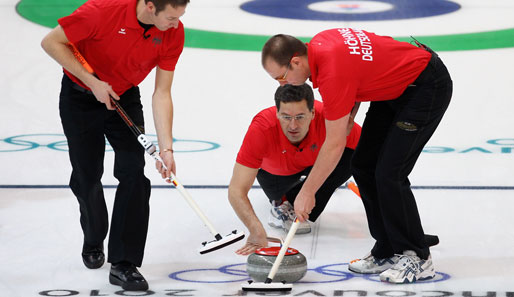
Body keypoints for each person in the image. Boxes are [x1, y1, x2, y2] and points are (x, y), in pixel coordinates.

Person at [261, 29, 452, 283]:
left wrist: (307, 192)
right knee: (363, 165)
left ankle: (417, 256)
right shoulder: (320, 44)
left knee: (389, 173)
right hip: (394, 87)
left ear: (295, 62)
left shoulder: (331, 72)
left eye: (281, 77)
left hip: (425, 87)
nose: (282, 84)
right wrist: (350, 113)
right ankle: (387, 247)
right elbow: (362, 66)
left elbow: (334, 145)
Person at [41, 0, 189, 291]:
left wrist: (167, 148)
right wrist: (91, 81)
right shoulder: (100, 12)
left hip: (123, 96)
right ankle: (94, 236)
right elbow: (51, 42)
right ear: (150, 7)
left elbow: (162, 93)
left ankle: (124, 263)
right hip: (80, 95)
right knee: (87, 174)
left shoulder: (173, 33)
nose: (176, 24)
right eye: (171, 17)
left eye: (180, 17)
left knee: (134, 171)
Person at [228, 83, 361, 255]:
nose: (293, 126)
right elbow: (236, 190)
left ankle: (306, 192)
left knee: (353, 157)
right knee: (283, 200)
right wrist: (255, 230)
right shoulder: (262, 128)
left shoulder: (329, 120)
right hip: (276, 172)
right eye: (285, 117)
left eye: (300, 117)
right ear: (277, 113)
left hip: (317, 161)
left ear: (313, 113)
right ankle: (283, 203)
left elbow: (368, 155)